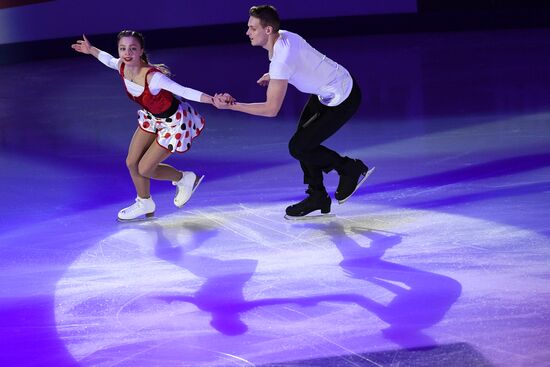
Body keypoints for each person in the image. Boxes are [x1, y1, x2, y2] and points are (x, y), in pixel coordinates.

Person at [213, 5, 374, 219]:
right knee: (303, 144)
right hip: (326, 91)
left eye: (252, 28)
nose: (247, 32)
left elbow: (271, 110)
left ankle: (350, 168)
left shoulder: (281, 60)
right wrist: (274, 76)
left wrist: (233, 106)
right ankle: (317, 196)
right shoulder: (285, 36)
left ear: (268, 30)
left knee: (299, 146)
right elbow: (300, 61)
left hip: (343, 97)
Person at [72, 30, 217, 221]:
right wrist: (91, 50)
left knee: (145, 169)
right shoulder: (122, 66)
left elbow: (184, 91)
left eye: (133, 48)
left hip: (172, 123)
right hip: (152, 118)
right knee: (131, 162)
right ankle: (144, 202)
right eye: (122, 48)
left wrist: (213, 100)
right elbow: (108, 60)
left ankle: (184, 178)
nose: (127, 53)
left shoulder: (153, 77)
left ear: (141, 51)